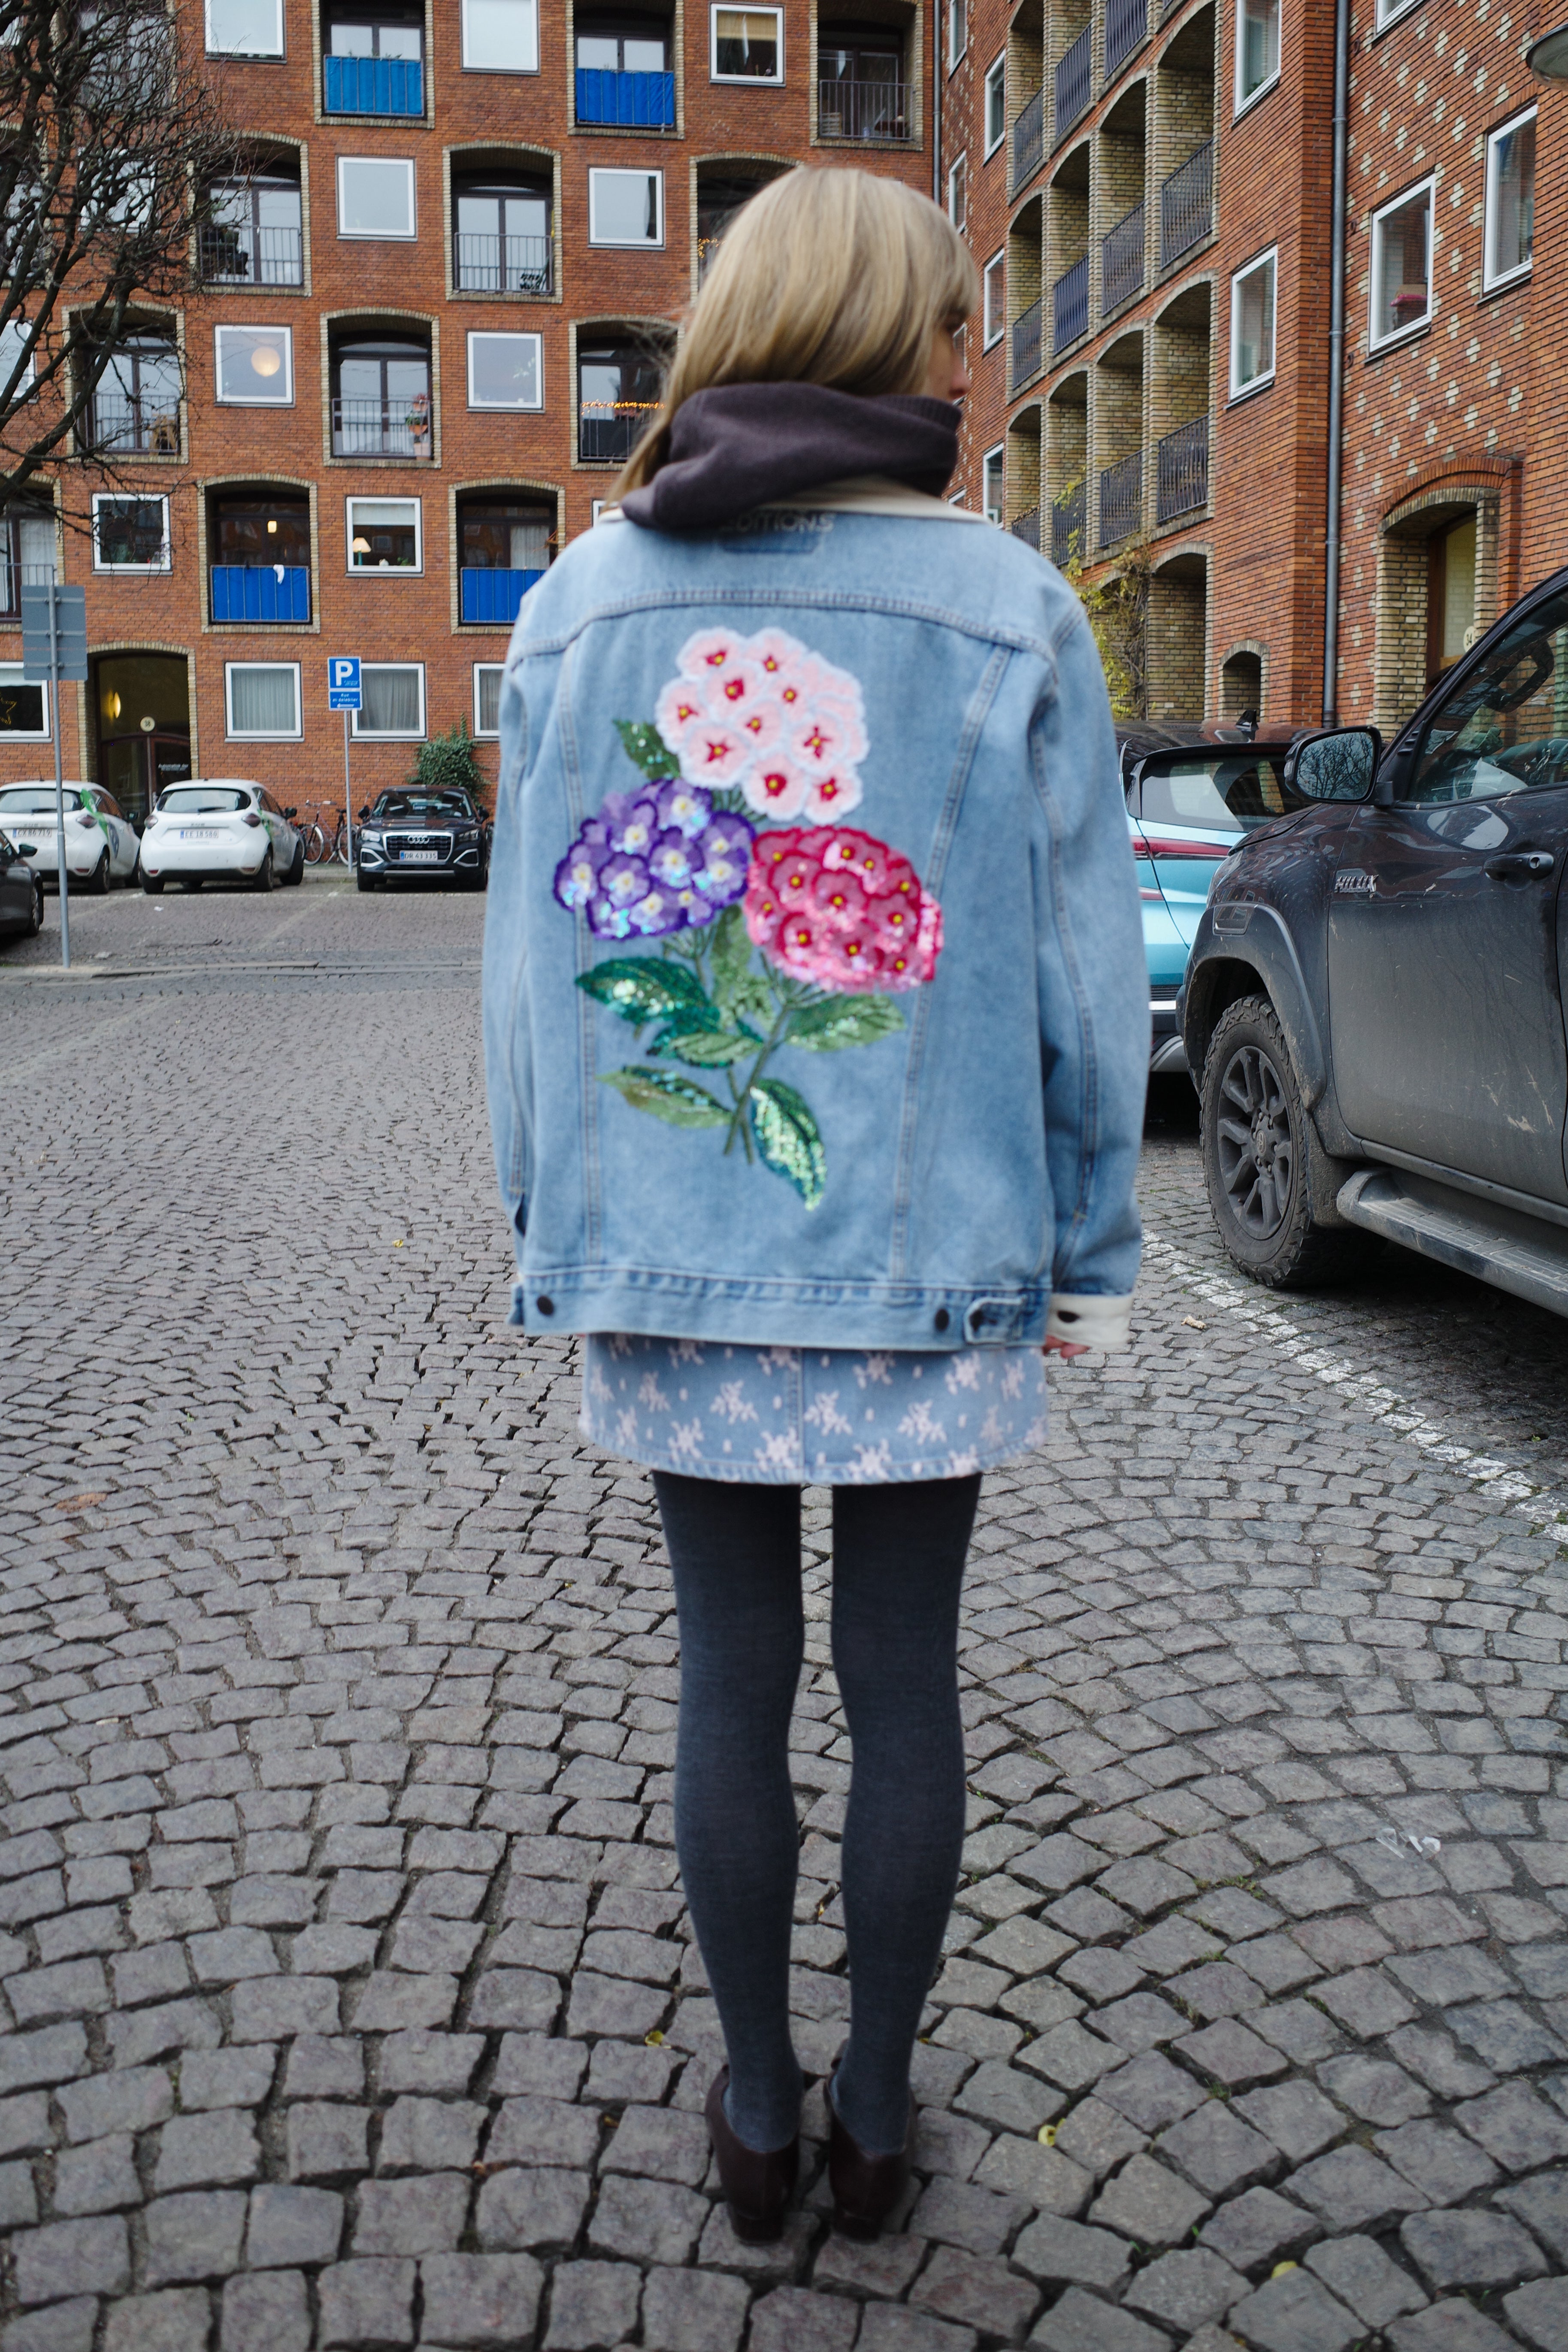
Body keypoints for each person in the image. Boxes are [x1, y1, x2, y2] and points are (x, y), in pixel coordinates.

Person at [483, 166, 1147, 2243]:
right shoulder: (1009, 605)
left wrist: (552, 1223)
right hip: (935, 1263)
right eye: (962, 317)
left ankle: (755, 2118)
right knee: (908, 1682)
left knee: (726, 1678)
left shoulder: (581, 602)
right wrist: (1090, 1248)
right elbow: (1075, 975)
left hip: (675, 1260)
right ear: (894, 335)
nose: (981, 355)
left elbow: (526, 970)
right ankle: (876, 2118)